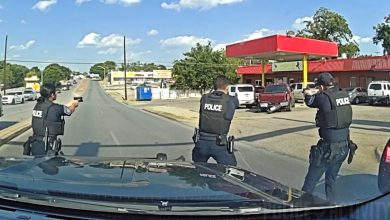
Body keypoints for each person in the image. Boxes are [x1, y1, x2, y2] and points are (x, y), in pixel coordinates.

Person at [301, 72, 354, 202]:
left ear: (321, 86)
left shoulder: (323, 97)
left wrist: (307, 93)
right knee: (331, 181)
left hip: (328, 150)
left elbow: (310, 101)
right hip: (344, 147)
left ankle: (301, 208)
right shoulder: (344, 94)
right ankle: (332, 207)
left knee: (310, 183)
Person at [192, 75, 239, 166]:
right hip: (219, 144)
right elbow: (236, 103)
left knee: (197, 169)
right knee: (231, 169)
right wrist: (228, 93)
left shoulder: (205, 98)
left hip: (201, 142)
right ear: (227, 87)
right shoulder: (230, 100)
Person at [27, 83, 79, 156]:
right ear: (52, 95)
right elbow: (69, 111)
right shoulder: (55, 108)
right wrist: (74, 104)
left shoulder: (38, 105)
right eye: (55, 92)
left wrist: (70, 103)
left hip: (35, 143)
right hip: (48, 145)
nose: (56, 94)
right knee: (52, 165)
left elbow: (55, 110)